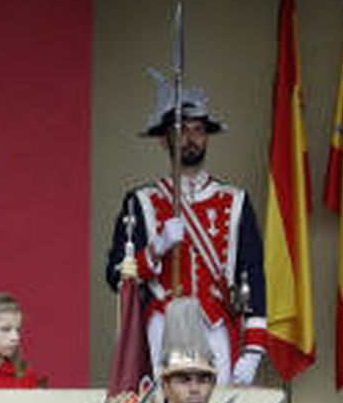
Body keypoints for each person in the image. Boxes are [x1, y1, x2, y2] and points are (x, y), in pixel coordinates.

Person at [105, 74, 266, 384]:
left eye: (198, 130)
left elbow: (253, 274)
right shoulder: (141, 202)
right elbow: (116, 276)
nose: (191, 138)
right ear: (164, 139)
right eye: (181, 131)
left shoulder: (236, 202)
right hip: (162, 324)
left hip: (216, 323)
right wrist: (155, 249)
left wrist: (255, 348)